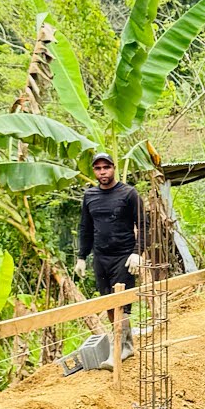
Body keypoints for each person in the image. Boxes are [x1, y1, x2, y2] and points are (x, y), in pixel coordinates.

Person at [75, 152, 143, 358]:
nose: (102, 172)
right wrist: (81, 257)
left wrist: (137, 252)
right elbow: (85, 227)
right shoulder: (90, 196)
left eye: (106, 167)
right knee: (108, 302)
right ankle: (126, 345)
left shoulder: (128, 194)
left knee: (121, 302)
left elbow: (144, 224)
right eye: (98, 168)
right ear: (94, 171)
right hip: (100, 257)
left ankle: (118, 349)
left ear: (113, 168)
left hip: (124, 256)